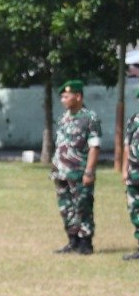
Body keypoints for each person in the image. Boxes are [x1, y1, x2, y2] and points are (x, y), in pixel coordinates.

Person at [49, 79, 101, 255]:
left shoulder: (89, 118)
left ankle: (86, 242)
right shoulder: (62, 119)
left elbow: (94, 146)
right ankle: (73, 240)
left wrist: (89, 171)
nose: (63, 100)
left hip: (79, 172)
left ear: (78, 97)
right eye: (62, 97)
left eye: (66, 96)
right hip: (61, 172)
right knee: (66, 207)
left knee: (83, 206)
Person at [124, 94, 139, 261]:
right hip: (134, 174)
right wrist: (124, 170)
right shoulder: (134, 120)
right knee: (135, 210)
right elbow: (127, 145)